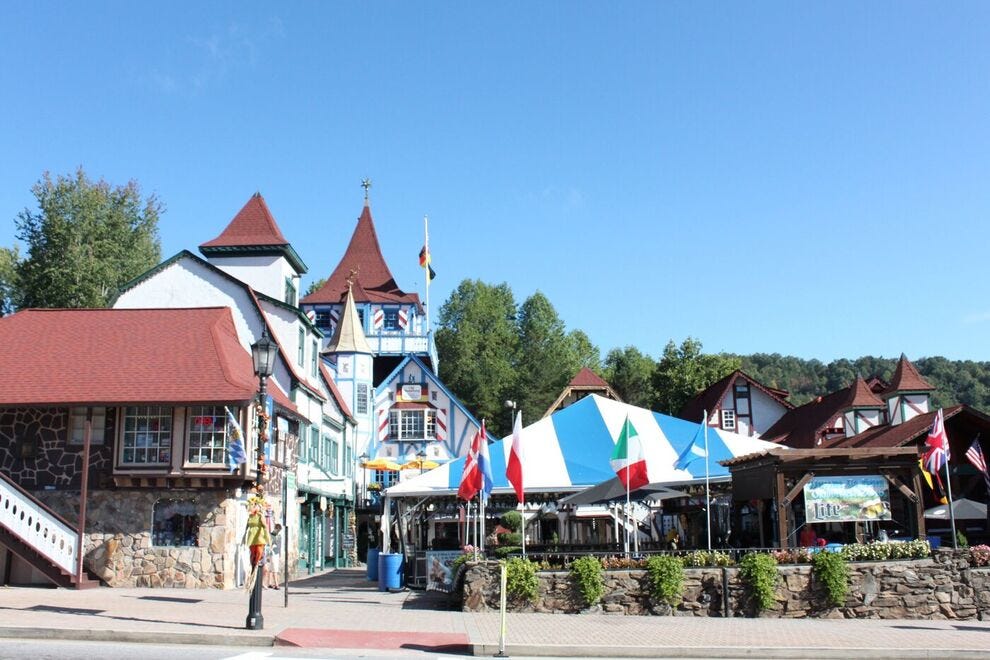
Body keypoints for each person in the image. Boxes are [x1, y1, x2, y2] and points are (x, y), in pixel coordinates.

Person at [266, 523, 283, 589]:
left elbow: (279, 546)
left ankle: (270, 583)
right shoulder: (272, 535)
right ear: (276, 528)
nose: (278, 531)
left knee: (271, 568)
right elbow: (269, 545)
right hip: (273, 553)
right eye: (278, 530)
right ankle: (276, 584)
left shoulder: (277, 535)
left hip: (275, 553)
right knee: (275, 569)